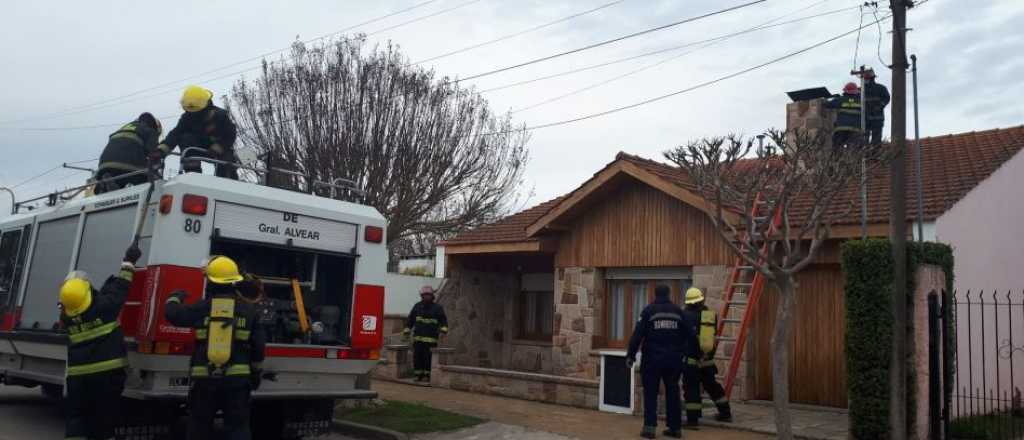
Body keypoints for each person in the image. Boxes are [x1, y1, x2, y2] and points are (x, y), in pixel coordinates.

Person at [164, 255, 266, 440]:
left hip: (204, 381)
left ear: (210, 281)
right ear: (234, 281)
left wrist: (174, 297)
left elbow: (173, 315)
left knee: (198, 427)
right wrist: (256, 373)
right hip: (237, 383)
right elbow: (259, 346)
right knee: (238, 428)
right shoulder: (249, 311)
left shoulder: (201, 307)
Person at [59, 243, 141, 440]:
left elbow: (95, 304)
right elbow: (120, 287)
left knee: (76, 419)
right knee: (104, 422)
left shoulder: (66, 317)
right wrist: (129, 262)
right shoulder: (104, 306)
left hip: (77, 378)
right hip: (107, 376)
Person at [626, 285, 691, 439]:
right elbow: (690, 335)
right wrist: (684, 354)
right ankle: (675, 429)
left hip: (652, 360)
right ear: (669, 294)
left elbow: (637, 335)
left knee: (650, 393)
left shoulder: (648, 311)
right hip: (674, 360)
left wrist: (631, 355)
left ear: (655, 295)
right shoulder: (678, 312)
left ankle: (649, 428)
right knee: (673, 392)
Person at [157, 85, 239, 180]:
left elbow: (230, 135)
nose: (193, 114)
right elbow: (176, 134)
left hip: (220, 150)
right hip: (197, 147)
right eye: (189, 111)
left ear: (205, 107)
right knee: (185, 139)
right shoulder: (187, 118)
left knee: (227, 162)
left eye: (196, 111)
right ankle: (193, 177)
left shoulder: (220, 117)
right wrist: (162, 149)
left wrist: (219, 147)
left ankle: (226, 183)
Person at [682, 287, 733, 429]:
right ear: (701, 300)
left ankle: (692, 421)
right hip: (707, 360)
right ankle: (725, 413)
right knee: (713, 387)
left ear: (688, 302)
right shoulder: (709, 316)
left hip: (692, 361)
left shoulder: (684, 316)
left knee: (691, 390)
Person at [95, 113, 162, 194]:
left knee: (120, 178)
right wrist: (157, 173)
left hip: (103, 166)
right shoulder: (150, 131)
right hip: (127, 165)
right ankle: (114, 185)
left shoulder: (123, 128)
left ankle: (106, 184)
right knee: (152, 183)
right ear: (155, 127)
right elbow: (154, 154)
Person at [403, 285, 448, 383]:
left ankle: (427, 376)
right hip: (418, 339)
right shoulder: (417, 306)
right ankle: (417, 375)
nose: (427, 296)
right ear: (422, 296)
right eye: (425, 295)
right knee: (417, 357)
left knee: (428, 358)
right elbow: (410, 319)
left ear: (432, 296)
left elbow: (443, 321)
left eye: (428, 295)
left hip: (431, 339)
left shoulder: (438, 308)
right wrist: (407, 330)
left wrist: (443, 331)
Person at [825, 82, 863, 149]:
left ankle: (837, 156)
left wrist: (834, 98)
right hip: (855, 129)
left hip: (841, 128)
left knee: (837, 149)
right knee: (854, 150)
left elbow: (827, 105)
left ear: (845, 91)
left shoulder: (840, 99)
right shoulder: (861, 101)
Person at [863, 68, 891, 145]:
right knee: (864, 140)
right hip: (865, 119)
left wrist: (879, 107)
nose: (865, 80)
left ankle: (874, 152)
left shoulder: (881, 88)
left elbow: (886, 98)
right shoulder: (861, 90)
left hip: (876, 118)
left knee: (875, 141)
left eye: (866, 78)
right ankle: (868, 152)